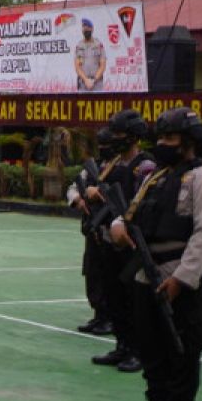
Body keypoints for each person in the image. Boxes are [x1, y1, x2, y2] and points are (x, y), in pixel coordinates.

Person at [111, 106, 202, 401]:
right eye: (160, 137)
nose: (162, 143)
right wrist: (117, 229)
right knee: (151, 346)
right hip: (146, 272)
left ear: (188, 142)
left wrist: (182, 279)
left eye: (169, 138)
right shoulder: (155, 177)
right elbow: (128, 214)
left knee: (182, 349)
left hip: (178, 274)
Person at [88, 110, 156, 372]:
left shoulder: (145, 166)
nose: (115, 139)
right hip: (107, 239)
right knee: (113, 295)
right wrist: (93, 193)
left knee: (133, 299)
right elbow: (95, 188)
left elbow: (142, 203)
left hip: (131, 241)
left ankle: (137, 350)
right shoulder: (112, 165)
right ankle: (122, 345)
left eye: (120, 134)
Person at [66, 127, 116, 335]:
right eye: (101, 145)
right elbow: (72, 188)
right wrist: (78, 199)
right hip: (93, 229)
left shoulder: (123, 168)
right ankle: (99, 315)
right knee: (93, 274)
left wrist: (99, 192)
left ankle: (110, 318)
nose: (103, 149)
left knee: (110, 276)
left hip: (112, 230)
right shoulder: (94, 168)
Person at [74, 18, 107, 92]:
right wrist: (86, 80)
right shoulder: (79, 46)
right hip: (83, 84)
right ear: (82, 30)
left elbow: (102, 66)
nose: (86, 30)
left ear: (92, 29)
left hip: (97, 83)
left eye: (88, 28)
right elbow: (77, 67)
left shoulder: (99, 45)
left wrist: (93, 80)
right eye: (84, 28)